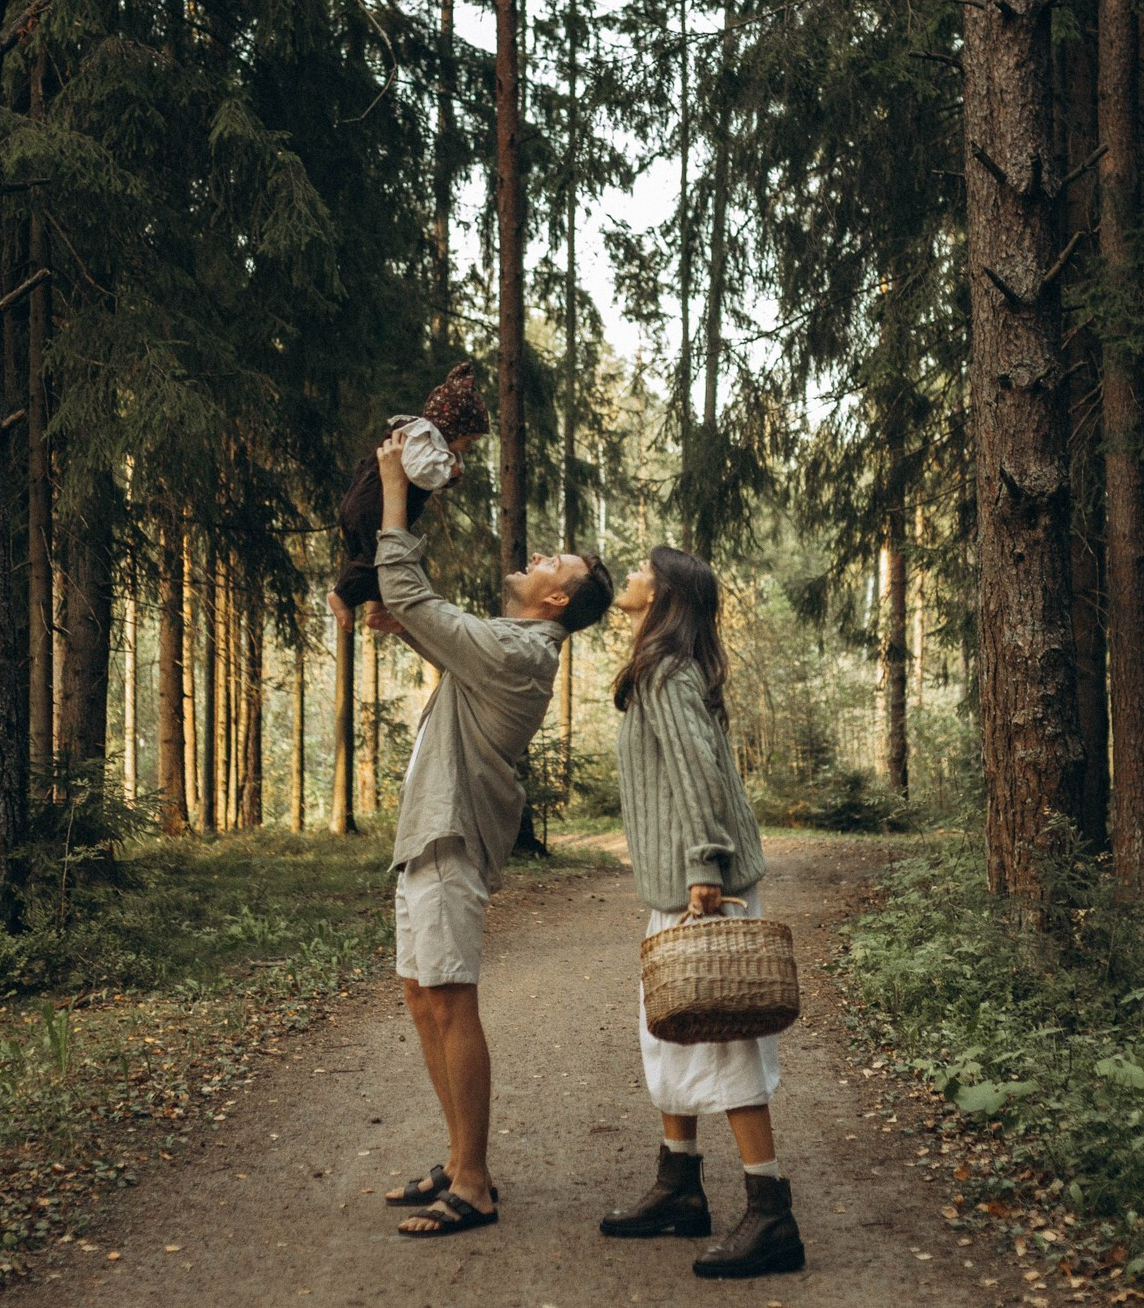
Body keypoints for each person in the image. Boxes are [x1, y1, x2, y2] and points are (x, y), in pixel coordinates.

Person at [367, 432, 614, 1238]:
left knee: (451, 998)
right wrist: (405, 626)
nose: (539, 555)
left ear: (553, 602)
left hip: (450, 837)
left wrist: (394, 488)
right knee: (420, 994)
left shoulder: (521, 649)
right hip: (425, 834)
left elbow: (413, 597)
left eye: (554, 562)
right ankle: (457, 1153)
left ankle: (472, 1183)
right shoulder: (510, 646)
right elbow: (422, 619)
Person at [596, 546, 802, 1279]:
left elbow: (699, 774)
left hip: (702, 884)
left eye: (643, 568)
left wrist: (703, 869)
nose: (631, 575)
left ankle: (771, 1210)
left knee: (724, 1038)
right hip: (683, 885)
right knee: (672, 1031)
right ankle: (680, 1185)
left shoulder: (667, 672)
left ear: (666, 594)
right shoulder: (665, 668)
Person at [329, 363, 492, 636]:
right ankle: (341, 597)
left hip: (365, 506)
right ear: (451, 429)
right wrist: (447, 472)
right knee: (381, 558)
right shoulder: (421, 438)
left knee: (376, 559)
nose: (467, 447)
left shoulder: (424, 438)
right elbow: (420, 473)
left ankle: (376, 610)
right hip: (371, 510)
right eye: (468, 441)